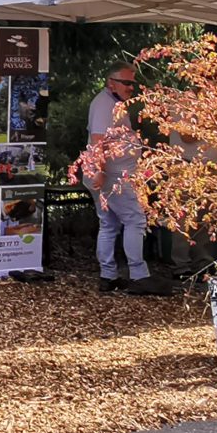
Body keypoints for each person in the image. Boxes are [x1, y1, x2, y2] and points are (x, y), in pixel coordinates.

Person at [83, 64, 169, 295]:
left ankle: (108, 276)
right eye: (126, 83)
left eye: (133, 83)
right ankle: (139, 276)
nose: (132, 88)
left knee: (109, 223)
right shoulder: (103, 104)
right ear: (111, 82)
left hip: (112, 174)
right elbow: (97, 139)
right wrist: (99, 171)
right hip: (110, 176)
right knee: (135, 220)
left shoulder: (114, 102)